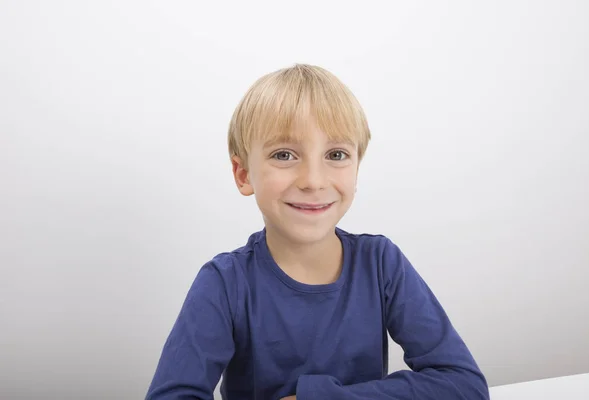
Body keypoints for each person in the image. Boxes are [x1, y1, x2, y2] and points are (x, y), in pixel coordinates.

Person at [146, 64, 489, 400]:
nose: (313, 180)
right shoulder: (223, 283)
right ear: (243, 174)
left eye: (336, 154)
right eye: (284, 154)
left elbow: (464, 385)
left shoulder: (382, 263)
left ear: (357, 169)